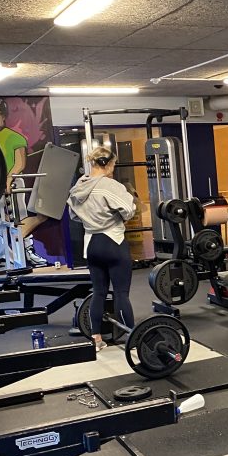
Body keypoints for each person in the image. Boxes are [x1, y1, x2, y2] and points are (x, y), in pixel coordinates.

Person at [67, 147, 136, 352]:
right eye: (113, 164)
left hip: (92, 244)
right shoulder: (110, 186)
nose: (113, 168)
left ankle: (96, 339)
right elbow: (129, 210)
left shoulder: (79, 186)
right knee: (121, 293)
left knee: (98, 292)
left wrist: (91, 221)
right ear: (107, 164)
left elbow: (73, 216)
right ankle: (131, 337)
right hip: (113, 242)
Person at [0, 97, 48, 266]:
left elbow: (20, 164)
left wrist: (8, 179)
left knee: (19, 218)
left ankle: (27, 251)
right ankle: (2, 255)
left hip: (13, 183)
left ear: (4, 115)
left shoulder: (15, 137)